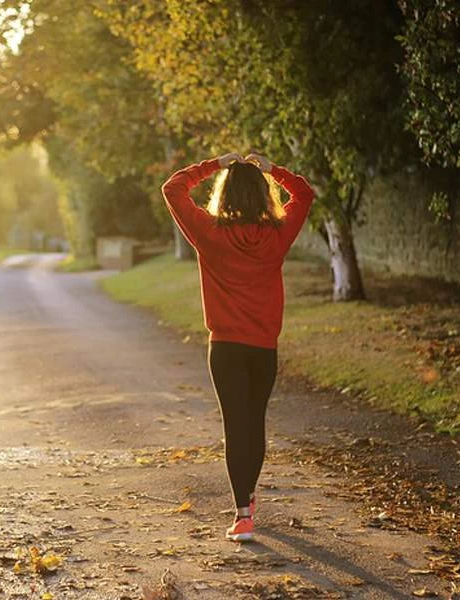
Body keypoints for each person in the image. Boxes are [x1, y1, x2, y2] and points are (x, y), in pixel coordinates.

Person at [161, 151, 315, 541]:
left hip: (226, 348)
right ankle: (247, 495)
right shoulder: (277, 235)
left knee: (235, 425)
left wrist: (214, 164)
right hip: (263, 348)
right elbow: (305, 194)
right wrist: (273, 170)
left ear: (224, 194)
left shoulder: (209, 233)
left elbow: (173, 188)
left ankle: (243, 513)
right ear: (263, 194)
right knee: (254, 422)